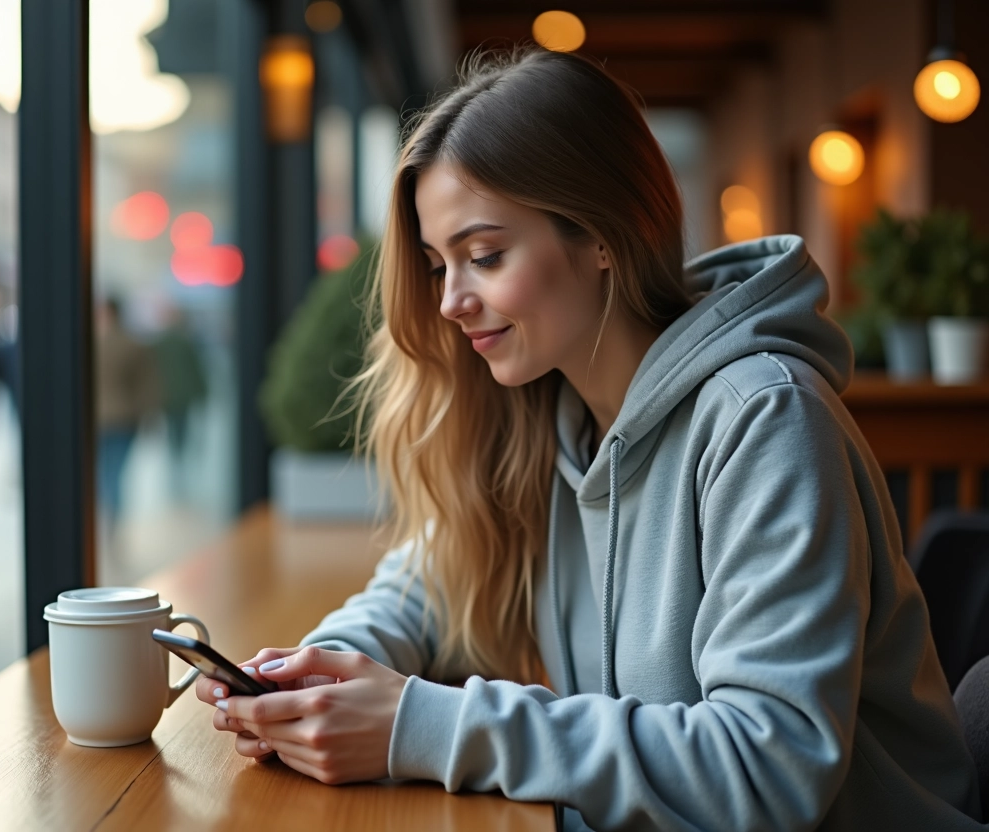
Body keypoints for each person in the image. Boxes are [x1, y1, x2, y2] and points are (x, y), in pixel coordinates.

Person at [195, 48, 984, 830]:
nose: (450, 302)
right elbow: (424, 590)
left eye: (486, 256)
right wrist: (311, 676)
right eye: (440, 266)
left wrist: (420, 724)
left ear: (602, 236)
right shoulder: (551, 416)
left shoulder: (766, 420)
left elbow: (768, 767)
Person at [95, 297, 159, 534]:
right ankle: (113, 526)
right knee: (116, 474)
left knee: (103, 475)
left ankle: (104, 523)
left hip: (99, 421)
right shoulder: (133, 344)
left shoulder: (92, 344)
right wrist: (148, 416)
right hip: (125, 418)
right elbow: (148, 387)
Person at [153, 303, 207, 491]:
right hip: (182, 394)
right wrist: (202, 393)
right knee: (181, 429)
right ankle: (179, 461)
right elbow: (196, 369)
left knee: (174, 429)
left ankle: (176, 462)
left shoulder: (160, 342)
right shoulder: (184, 341)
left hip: (168, 394)